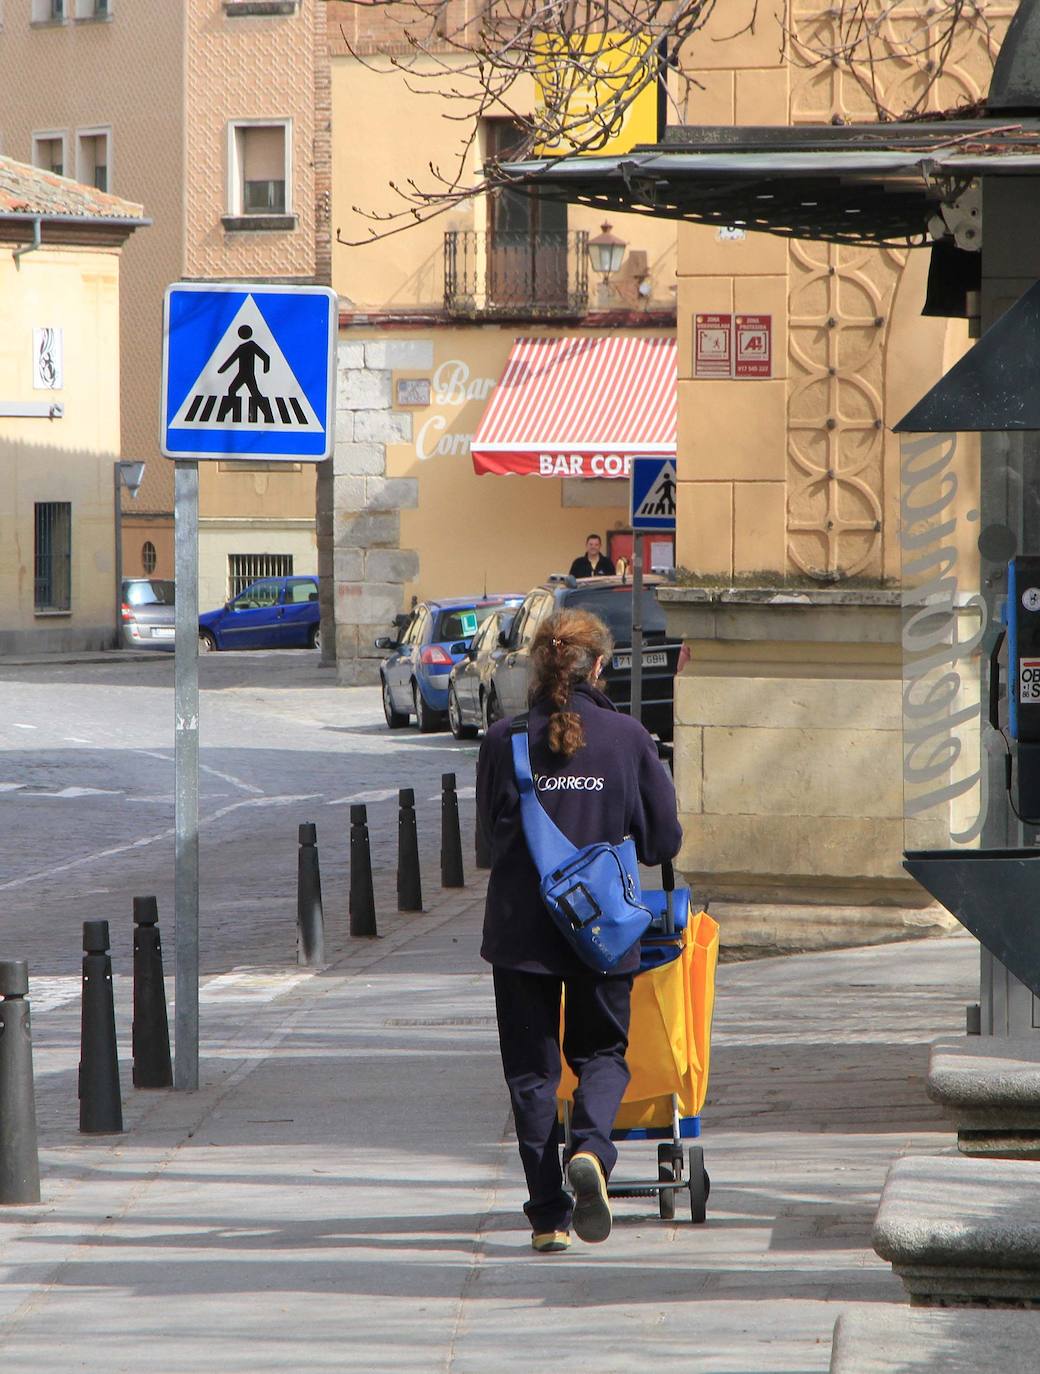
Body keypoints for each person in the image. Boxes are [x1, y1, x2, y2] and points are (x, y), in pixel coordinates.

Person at [476, 609, 682, 1253]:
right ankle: (590, 1149)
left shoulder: (502, 739)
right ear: (600, 666)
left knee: (531, 1076)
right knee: (600, 1055)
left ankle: (547, 1219)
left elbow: (486, 847)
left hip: (520, 932)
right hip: (602, 931)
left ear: (538, 664)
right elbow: (662, 841)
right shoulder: (627, 739)